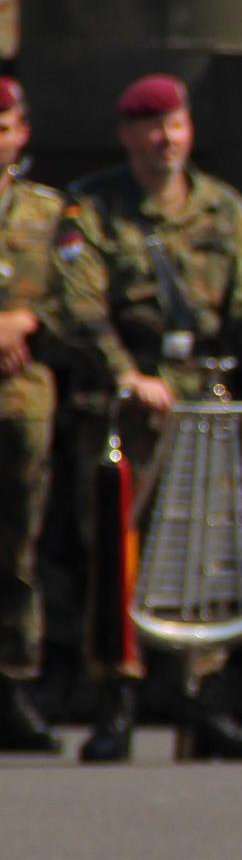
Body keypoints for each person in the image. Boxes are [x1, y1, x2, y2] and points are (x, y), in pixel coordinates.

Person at [57, 73, 242, 764]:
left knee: (207, 549)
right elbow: (78, 304)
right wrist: (124, 374)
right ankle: (118, 700)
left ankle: (204, 704)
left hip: (204, 400)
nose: (165, 140)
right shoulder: (94, 209)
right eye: (151, 127)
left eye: (175, 125)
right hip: (131, 405)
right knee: (118, 551)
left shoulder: (222, 208)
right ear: (127, 135)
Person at [0, 75, 68, 753]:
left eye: (2, 128)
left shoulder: (50, 215)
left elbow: (80, 298)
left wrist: (26, 322)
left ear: (20, 135)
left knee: (17, 546)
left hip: (20, 402)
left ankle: (12, 684)